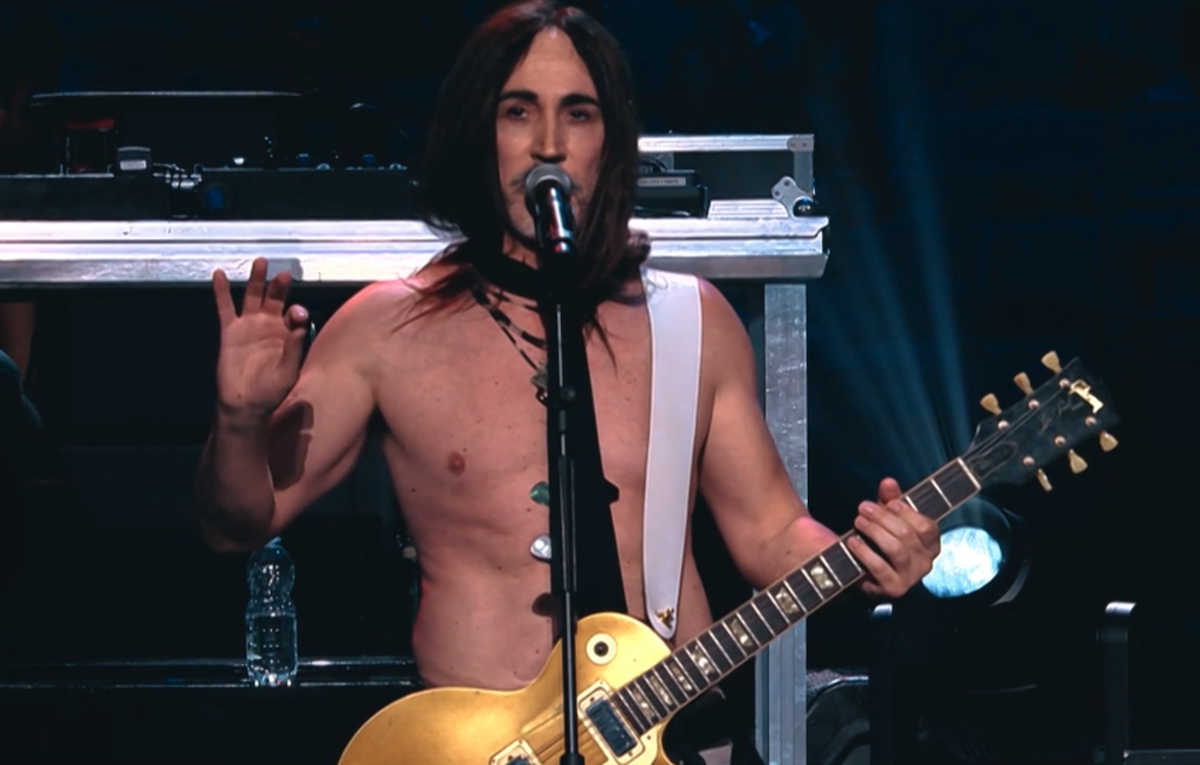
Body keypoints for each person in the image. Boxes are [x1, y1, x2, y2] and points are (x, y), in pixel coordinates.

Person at [196, 0, 940, 758]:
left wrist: (870, 557)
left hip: (670, 737)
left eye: (578, 114)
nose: (548, 144)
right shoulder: (387, 328)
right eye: (519, 111)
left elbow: (771, 531)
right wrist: (238, 420)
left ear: (609, 142)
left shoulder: (692, 322)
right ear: (478, 131)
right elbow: (237, 523)